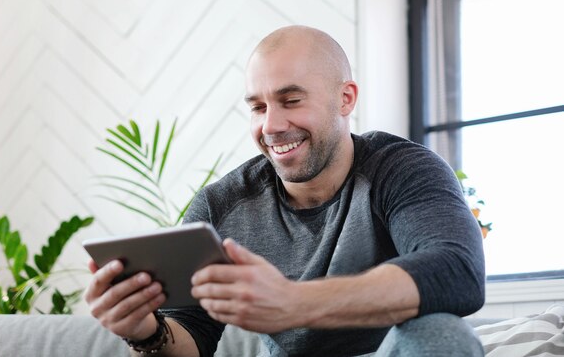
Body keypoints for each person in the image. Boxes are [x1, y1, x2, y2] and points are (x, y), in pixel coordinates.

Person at [84, 25, 486, 356]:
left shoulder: (399, 169)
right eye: (258, 108)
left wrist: (293, 303)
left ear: (345, 99)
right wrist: (144, 331)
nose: (271, 126)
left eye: (291, 100)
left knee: (439, 334)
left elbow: (458, 271)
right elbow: (191, 337)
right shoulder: (221, 205)